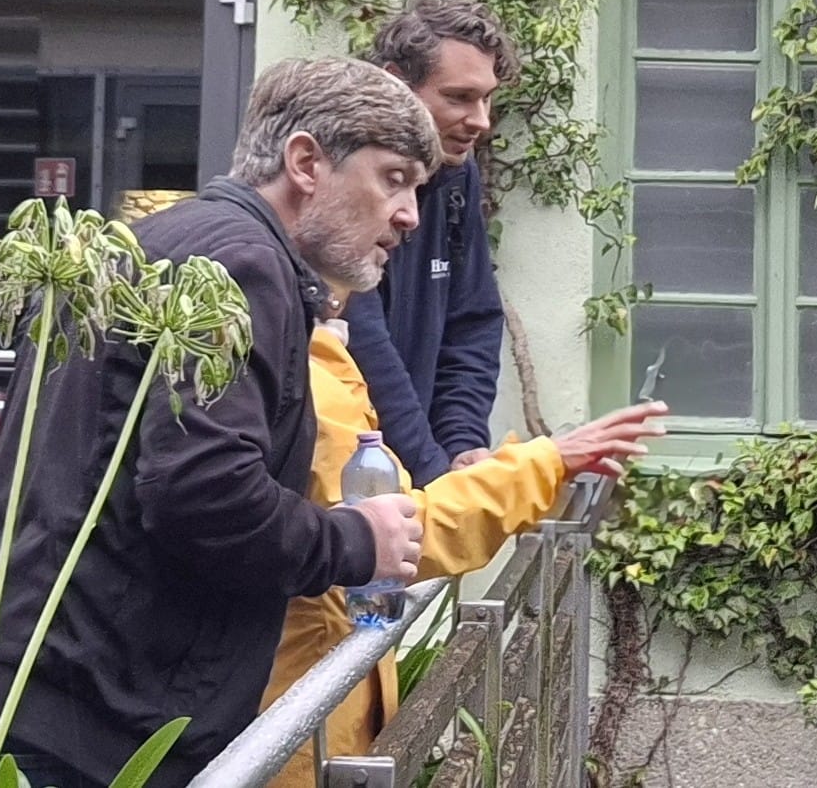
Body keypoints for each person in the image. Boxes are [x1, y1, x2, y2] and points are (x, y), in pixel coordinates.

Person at [0, 58, 440, 788]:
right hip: (57, 727)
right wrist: (359, 540)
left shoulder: (163, 241)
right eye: (393, 178)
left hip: (6, 693)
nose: (410, 215)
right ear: (305, 162)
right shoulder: (241, 265)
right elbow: (205, 496)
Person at [261, 298, 669, 788]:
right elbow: (403, 536)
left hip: (321, 700)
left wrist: (526, 466)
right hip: (298, 711)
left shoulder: (311, 352)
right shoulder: (307, 372)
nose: (394, 256)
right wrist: (544, 465)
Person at [346, 0, 520, 486]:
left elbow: (472, 321)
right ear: (395, 84)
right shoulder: (341, 180)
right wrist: (434, 472)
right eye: (459, 98)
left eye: (486, 98)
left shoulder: (457, 178)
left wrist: (461, 443)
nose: (481, 120)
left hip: (414, 479)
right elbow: (365, 347)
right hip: (342, 482)